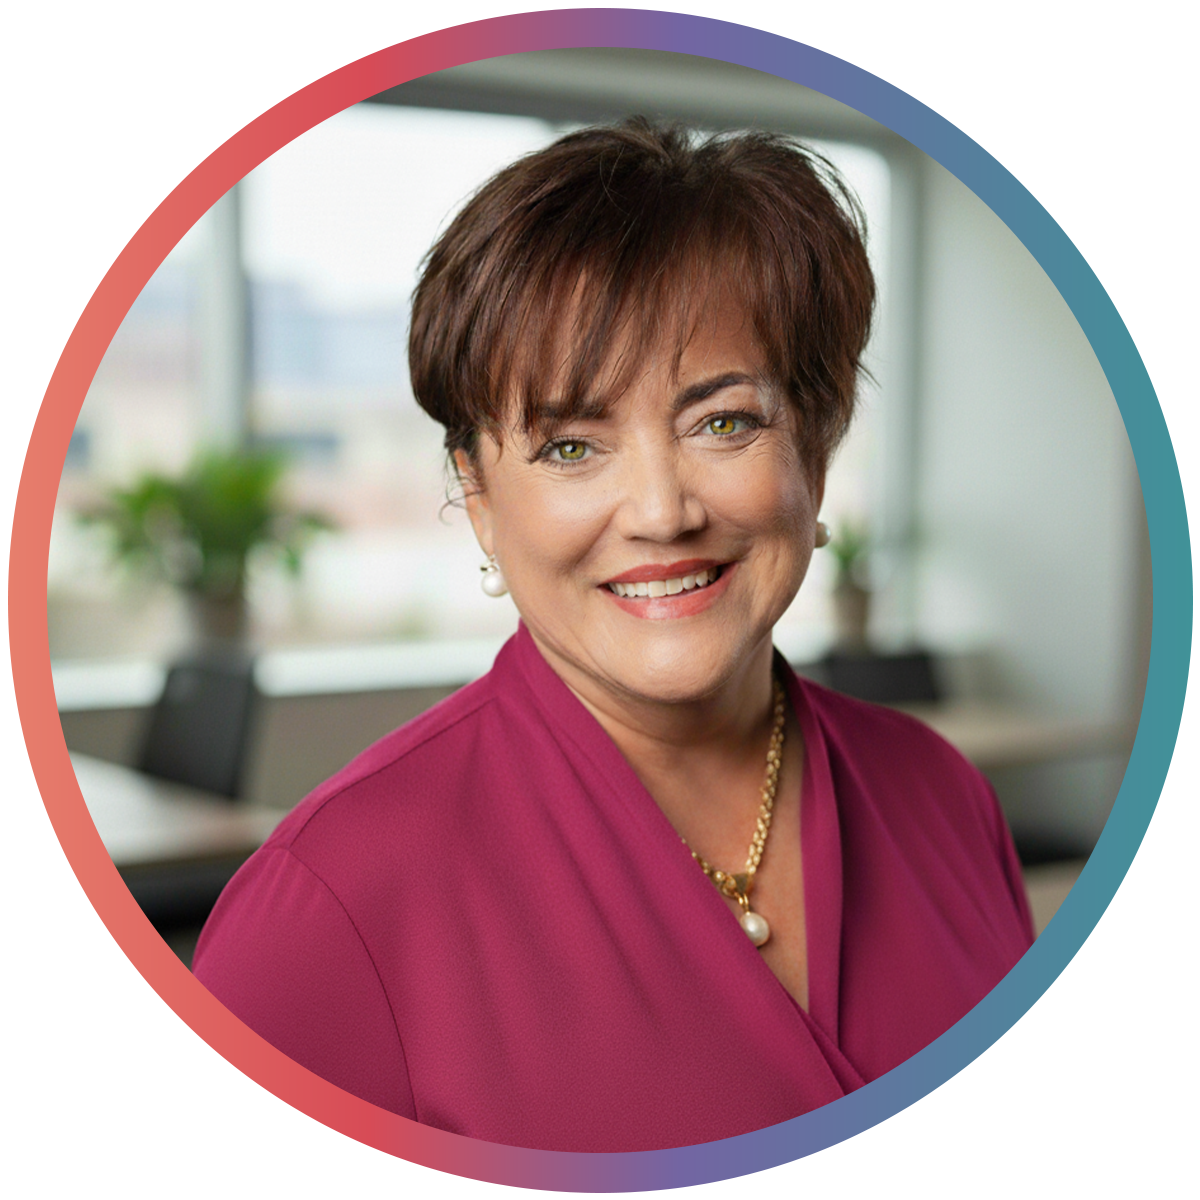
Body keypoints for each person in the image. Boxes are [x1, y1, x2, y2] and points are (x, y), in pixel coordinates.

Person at [192, 119, 1034, 1152]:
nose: (661, 511)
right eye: (572, 445)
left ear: (815, 445)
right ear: (480, 498)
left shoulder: (944, 797)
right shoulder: (329, 915)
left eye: (723, 422)